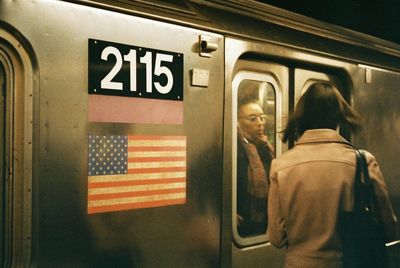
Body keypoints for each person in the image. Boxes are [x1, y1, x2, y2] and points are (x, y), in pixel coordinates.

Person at [267, 82, 398, 267]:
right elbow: (389, 229)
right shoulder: (363, 162)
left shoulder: (280, 166)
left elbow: (276, 237)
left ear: (302, 116)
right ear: (340, 116)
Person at [237, 97, 274, 237]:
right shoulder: (233, 148)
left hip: (266, 223)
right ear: (238, 122)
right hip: (242, 227)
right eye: (252, 119)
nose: (260, 124)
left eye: (262, 118)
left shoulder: (267, 148)